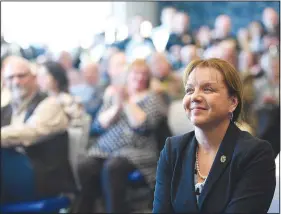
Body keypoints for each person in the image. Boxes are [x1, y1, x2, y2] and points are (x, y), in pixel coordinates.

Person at [153, 58, 276, 213]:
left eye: (207, 89)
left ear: (232, 102)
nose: (195, 97)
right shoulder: (173, 149)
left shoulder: (255, 153)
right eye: (190, 90)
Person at [74, 59, 167, 213]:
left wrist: (127, 102)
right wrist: (117, 105)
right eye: (135, 74)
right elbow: (98, 125)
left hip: (138, 149)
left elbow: (142, 125)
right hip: (107, 148)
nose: (140, 77)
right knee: (85, 165)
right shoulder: (114, 96)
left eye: (144, 74)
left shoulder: (153, 98)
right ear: (127, 76)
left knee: (113, 166)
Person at [1, 56, 76, 203]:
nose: (16, 82)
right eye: (10, 78)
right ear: (4, 82)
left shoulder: (50, 104)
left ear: (34, 78)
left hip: (43, 179)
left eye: (21, 76)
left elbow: (30, 132)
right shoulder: (5, 110)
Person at [38, 61, 87, 127]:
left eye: (44, 76)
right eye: (39, 76)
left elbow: (77, 127)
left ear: (56, 78)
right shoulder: (42, 99)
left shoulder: (68, 100)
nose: (40, 80)